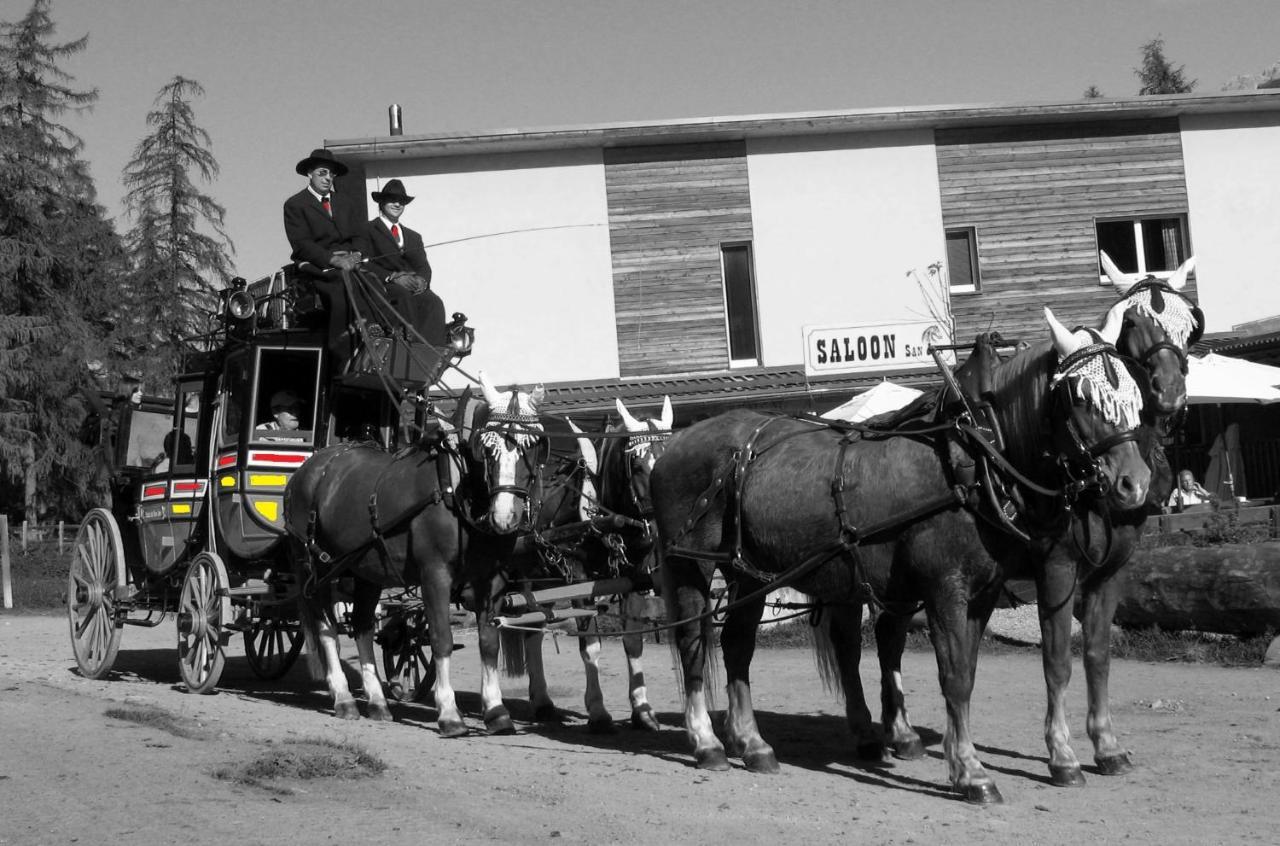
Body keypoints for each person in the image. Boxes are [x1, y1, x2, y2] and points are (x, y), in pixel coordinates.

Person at [282, 148, 370, 365]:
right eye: (322, 173)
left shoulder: (347, 203)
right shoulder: (295, 205)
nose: (328, 178)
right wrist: (334, 260)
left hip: (351, 263)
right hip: (320, 268)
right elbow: (302, 244)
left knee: (375, 281)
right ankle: (341, 350)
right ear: (309, 174)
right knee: (341, 284)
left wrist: (356, 255)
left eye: (331, 174)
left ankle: (379, 336)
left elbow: (360, 235)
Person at [363, 179, 448, 346]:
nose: (397, 204)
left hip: (412, 286)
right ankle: (408, 346)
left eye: (401, 201)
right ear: (381, 202)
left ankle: (432, 350)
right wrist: (392, 277)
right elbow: (364, 262)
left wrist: (421, 281)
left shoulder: (413, 236)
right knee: (403, 296)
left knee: (434, 302)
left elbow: (423, 266)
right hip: (385, 287)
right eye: (392, 199)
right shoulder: (368, 230)